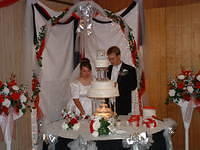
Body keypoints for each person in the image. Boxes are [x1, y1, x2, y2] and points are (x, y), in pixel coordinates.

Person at [107, 46, 137, 115]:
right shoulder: (109, 69)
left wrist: (117, 85)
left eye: (112, 59)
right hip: (109, 104)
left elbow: (133, 86)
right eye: (109, 59)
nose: (111, 61)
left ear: (119, 56)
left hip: (123, 104)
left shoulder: (130, 69)